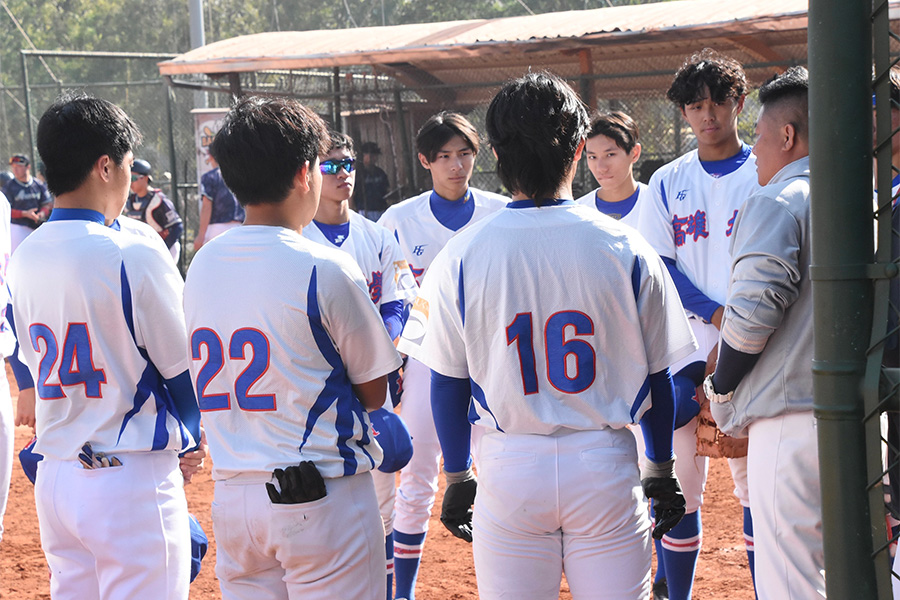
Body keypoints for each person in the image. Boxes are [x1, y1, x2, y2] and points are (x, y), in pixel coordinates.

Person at [398, 71, 694, 599]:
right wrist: (660, 466)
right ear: (579, 150)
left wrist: (459, 475)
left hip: (509, 467)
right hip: (604, 463)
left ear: (494, 152)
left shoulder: (461, 254)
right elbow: (658, 376)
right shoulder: (626, 246)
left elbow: (447, 381)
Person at [184, 95, 403, 600]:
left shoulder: (203, 263)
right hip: (320, 491)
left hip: (235, 496)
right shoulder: (325, 265)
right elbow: (375, 391)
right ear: (306, 173)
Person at [6, 92, 202, 599]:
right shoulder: (132, 252)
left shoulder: (25, 255)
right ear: (105, 166)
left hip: (56, 479)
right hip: (128, 480)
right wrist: (191, 439)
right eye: (128, 161)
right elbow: (184, 375)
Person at [636, 48, 761, 600]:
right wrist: (714, 314)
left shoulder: (765, 170)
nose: (707, 114)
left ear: (740, 102)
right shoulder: (667, 180)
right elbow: (660, 265)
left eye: (718, 101)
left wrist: (738, 326)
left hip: (758, 340)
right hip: (687, 343)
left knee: (754, 487)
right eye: (695, 105)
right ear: (684, 112)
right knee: (680, 487)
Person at [377, 111, 507, 600]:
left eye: (465, 154)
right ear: (425, 161)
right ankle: (402, 592)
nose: (457, 165)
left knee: (496, 474)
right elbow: (389, 296)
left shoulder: (500, 211)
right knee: (417, 476)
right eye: (445, 156)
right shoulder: (398, 219)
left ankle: (500, 584)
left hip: (491, 358)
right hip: (427, 359)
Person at [704, 66, 819, 599]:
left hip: (791, 421)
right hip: (864, 418)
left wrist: (722, 385)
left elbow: (752, 315)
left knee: (791, 583)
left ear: (788, 136)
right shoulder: (866, 200)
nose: (754, 151)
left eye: (761, 135)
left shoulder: (778, 199)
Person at [301, 130, 417, 600]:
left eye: (346, 163)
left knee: (383, 503)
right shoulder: (298, 238)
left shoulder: (378, 236)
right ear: (310, 172)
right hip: (316, 386)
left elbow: (399, 302)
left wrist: (380, 352)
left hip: (371, 383)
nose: (342, 173)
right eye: (329, 165)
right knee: (319, 501)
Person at [576, 110, 646, 227]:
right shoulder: (578, 212)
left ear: (634, 153)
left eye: (610, 155)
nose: (601, 168)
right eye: (593, 157)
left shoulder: (658, 203)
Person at [125, 158, 184, 262]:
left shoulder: (158, 200)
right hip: (143, 250)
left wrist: (163, 249)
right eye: (129, 178)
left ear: (145, 178)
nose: (131, 182)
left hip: (165, 248)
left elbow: (177, 227)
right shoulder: (130, 201)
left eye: (133, 178)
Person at [2, 154, 53, 253]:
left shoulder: (38, 184)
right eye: (13, 167)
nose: (15, 170)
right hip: (18, 228)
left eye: (18, 166)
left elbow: (47, 204)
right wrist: (24, 213)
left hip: (37, 226)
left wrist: (41, 214)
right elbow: (6, 211)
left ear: (28, 166)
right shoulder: (9, 187)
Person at [194, 155, 245, 250]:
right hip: (240, 227)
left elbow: (206, 207)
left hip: (217, 229)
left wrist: (201, 235)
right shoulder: (239, 175)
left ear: (210, 156)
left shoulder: (210, 176)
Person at [357, 142, 391, 221]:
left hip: (380, 209)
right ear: (363, 155)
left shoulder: (380, 173)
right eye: (371, 155)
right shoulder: (359, 173)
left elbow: (386, 190)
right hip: (364, 210)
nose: (374, 158)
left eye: (375, 155)